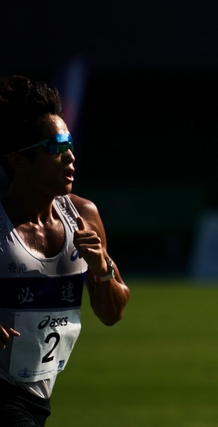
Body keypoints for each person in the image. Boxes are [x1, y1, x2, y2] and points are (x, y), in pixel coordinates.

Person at [0, 75, 130, 426]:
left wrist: (102, 269)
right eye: (56, 147)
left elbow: (112, 313)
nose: (70, 156)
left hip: (37, 399)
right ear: (18, 161)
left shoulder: (83, 216)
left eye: (69, 144)